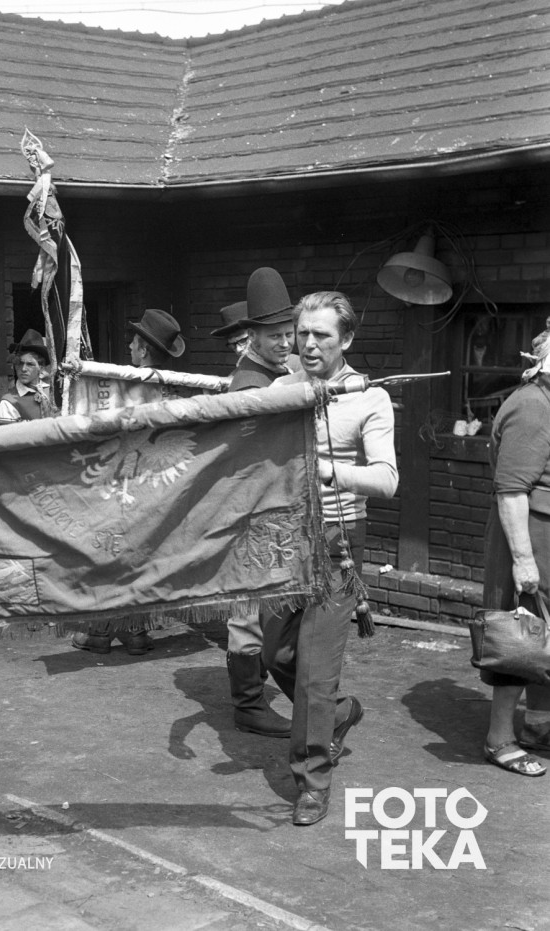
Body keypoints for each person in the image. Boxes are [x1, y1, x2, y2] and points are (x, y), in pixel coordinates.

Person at [262, 291, 398, 825]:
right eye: (303, 333)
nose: (310, 343)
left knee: (316, 671)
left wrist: (329, 471)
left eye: (322, 334)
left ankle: (312, 781)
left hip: (337, 542)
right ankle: (339, 713)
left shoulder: (369, 398)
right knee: (276, 655)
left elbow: (387, 479)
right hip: (282, 538)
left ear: (347, 339)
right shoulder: (281, 391)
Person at [212, 273, 300, 738]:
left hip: (273, 502)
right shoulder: (249, 385)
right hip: (250, 506)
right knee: (246, 609)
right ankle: (248, 705)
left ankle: (257, 692)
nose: (285, 343)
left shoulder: (280, 371)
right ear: (253, 337)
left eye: (289, 334)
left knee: (261, 605)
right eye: (275, 336)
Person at [72, 307, 185, 657]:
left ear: (144, 349)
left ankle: (101, 631)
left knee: (111, 554)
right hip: (158, 486)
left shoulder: (125, 387)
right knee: (141, 555)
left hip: (124, 482)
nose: (130, 348)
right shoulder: (175, 389)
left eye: (135, 343)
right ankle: (136, 631)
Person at [479, 318, 550, 777]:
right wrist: (524, 561)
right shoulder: (533, 406)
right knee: (519, 637)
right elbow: (510, 491)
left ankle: (539, 724)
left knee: (544, 638)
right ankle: (499, 739)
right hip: (530, 537)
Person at [0, 329, 57, 423]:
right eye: (20, 363)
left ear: (41, 368)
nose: (23, 369)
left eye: (30, 364)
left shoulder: (53, 392)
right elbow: (9, 432)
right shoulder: (9, 401)